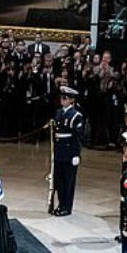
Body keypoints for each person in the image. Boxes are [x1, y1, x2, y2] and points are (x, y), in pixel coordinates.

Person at [50, 86, 85, 216]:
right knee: (59, 181)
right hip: (60, 152)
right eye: (62, 98)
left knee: (68, 181)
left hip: (69, 151)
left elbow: (77, 137)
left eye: (65, 98)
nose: (62, 100)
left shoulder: (76, 116)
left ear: (72, 100)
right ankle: (60, 204)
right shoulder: (59, 113)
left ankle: (66, 207)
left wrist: (76, 154)